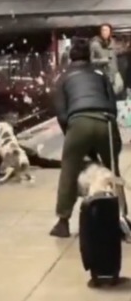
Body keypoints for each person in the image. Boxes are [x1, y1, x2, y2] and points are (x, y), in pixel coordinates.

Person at [50, 38, 126, 238]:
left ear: (70, 58)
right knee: (112, 171)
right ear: (89, 56)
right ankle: (121, 218)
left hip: (79, 121)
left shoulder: (63, 78)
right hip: (105, 121)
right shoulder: (100, 74)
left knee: (69, 170)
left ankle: (63, 222)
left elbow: (61, 114)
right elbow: (111, 104)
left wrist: (74, 137)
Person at [90, 23, 123, 95]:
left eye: (107, 30)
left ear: (110, 32)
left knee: (117, 92)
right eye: (103, 30)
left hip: (114, 73)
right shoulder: (95, 44)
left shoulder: (112, 42)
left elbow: (115, 57)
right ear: (100, 32)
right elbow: (91, 61)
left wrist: (116, 71)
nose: (105, 32)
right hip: (102, 74)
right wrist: (103, 61)